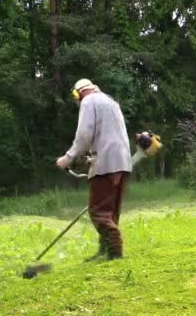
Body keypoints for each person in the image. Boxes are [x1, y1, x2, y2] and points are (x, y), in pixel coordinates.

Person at [56, 78, 132, 261]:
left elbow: (84, 134)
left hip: (106, 162)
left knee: (98, 211)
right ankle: (104, 251)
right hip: (122, 161)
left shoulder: (89, 101)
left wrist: (67, 158)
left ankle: (115, 252)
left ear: (78, 93)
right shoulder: (110, 101)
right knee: (110, 212)